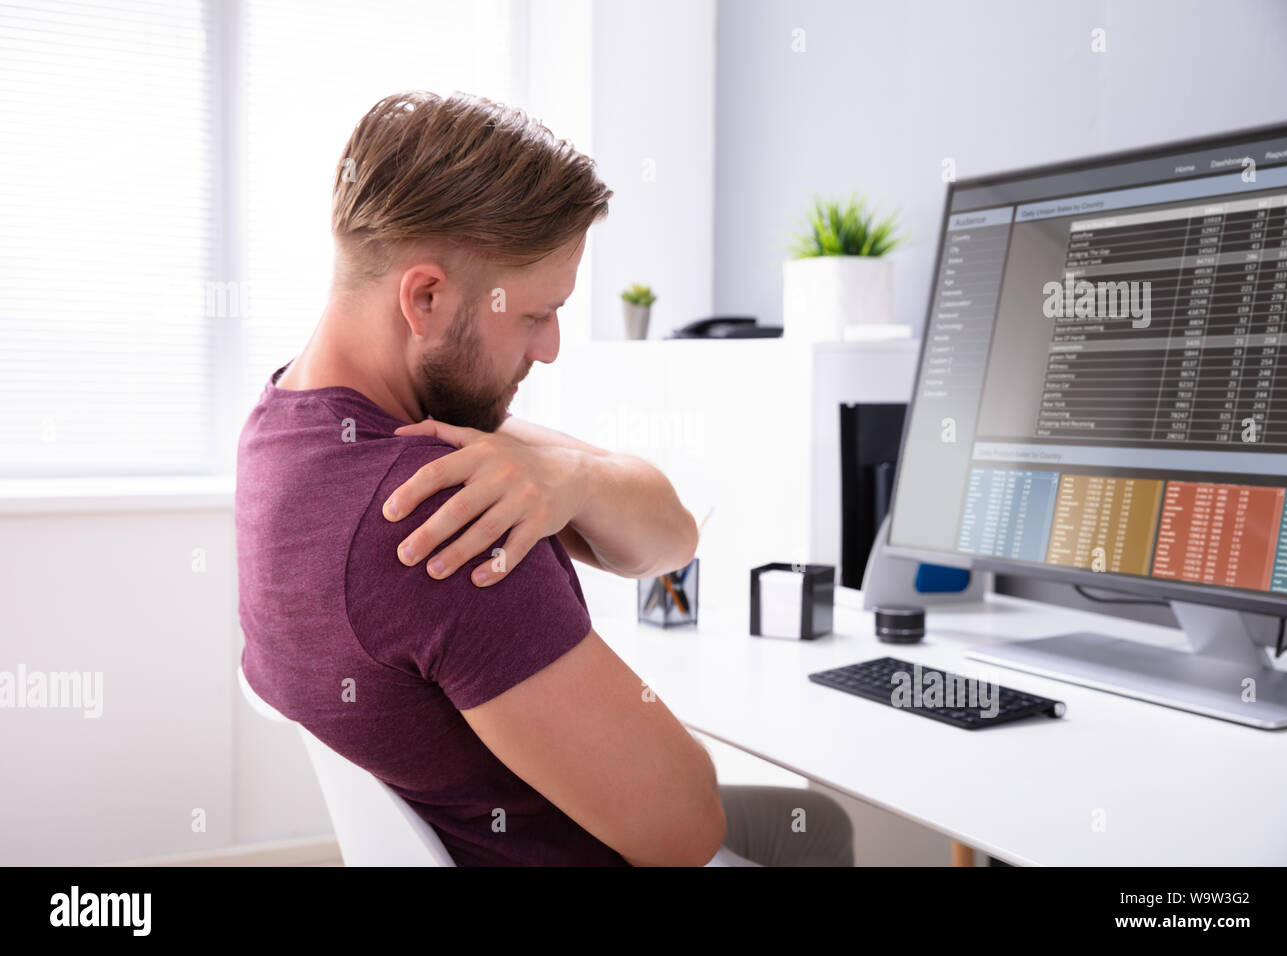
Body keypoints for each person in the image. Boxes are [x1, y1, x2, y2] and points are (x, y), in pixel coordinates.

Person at [236, 90, 852, 866]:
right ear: (425, 297)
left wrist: (580, 484)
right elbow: (686, 829)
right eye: (535, 314)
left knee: (814, 825)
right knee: (815, 830)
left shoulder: (289, 428)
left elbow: (672, 539)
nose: (552, 346)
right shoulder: (441, 516)